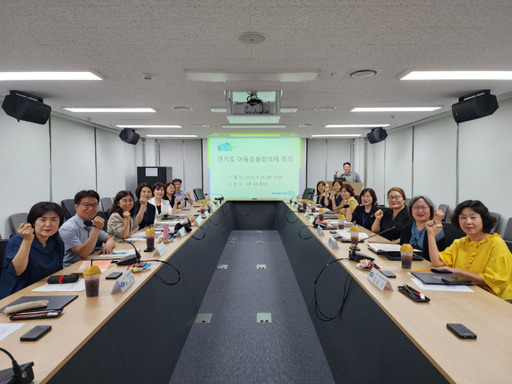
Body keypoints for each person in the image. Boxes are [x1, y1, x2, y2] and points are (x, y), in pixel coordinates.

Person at [426, 200, 512, 301]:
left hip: (494, 299)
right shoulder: (460, 243)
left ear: (483, 220)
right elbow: (437, 263)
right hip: (467, 293)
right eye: (463, 217)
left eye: (473, 217)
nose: (468, 222)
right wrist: (431, 234)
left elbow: (494, 281)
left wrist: (458, 271)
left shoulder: (496, 244)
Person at [0, 202, 66, 299]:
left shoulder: (57, 242)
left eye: (53, 219)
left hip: (47, 291)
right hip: (18, 294)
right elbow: (17, 271)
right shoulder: (17, 241)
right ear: (34, 222)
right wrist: (27, 241)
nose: (48, 224)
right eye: (43, 219)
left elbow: (58, 272)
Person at [60, 190, 115, 267]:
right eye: (86, 205)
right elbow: (83, 254)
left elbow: (109, 239)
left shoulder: (91, 222)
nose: (91, 209)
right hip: (72, 268)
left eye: (94, 205)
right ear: (76, 207)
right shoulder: (67, 228)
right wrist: (96, 229)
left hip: (88, 263)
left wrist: (107, 247)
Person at [400, 195, 446, 261]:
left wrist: (438, 221)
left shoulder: (435, 228)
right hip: (408, 264)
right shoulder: (406, 228)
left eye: (424, 207)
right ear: (411, 210)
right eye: (416, 207)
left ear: (431, 210)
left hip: (429, 266)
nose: (420, 211)